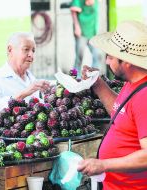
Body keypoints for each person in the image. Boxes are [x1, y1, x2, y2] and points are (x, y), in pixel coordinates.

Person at [77, 20, 147, 189]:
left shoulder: (144, 97)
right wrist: (98, 83)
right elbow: (121, 112)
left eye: (110, 57)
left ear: (127, 61)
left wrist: (104, 165)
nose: (107, 62)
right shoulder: (132, 82)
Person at [0, 32, 50, 124]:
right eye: (26, 49)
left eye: (33, 50)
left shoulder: (32, 80)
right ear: (10, 50)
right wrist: (22, 94)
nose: (31, 55)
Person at [70, 0, 100, 78]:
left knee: (96, 56)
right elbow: (73, 11)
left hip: (92, 33)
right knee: (79, 58)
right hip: (82, 33)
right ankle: (74, 79)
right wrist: (76, 27)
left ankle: (94, 79)